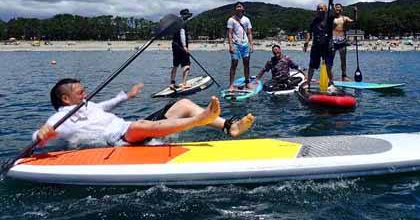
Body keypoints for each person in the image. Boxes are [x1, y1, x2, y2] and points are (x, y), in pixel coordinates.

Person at [34, 78, 255, 147]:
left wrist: (127, 96)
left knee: (184, 103)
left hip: (129, 130)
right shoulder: (62, 116)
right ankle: (199, 119)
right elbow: (43, 134)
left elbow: (107, 105)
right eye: (81, 92)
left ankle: (230, 127)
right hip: (118, 140)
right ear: (65, 99)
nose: (86, 94)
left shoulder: (88, 106)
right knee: (140, 125)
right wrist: (41, 134)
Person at [303, 2, 336, 91]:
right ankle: (308, 83)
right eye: (318, 8)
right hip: (316, 46)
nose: (320, 10)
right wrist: (306, 42)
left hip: (327, 47)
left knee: (328, 67)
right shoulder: (314, 21)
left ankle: (331, 83)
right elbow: (309, 32)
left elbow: (334, 12)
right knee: (312, 66)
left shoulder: (329, 18)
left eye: (322, 8)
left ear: (325, 9)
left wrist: (331, 2)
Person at [227, 2, 254, 91]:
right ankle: (231, 84)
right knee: (234, 64)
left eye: (240, 6)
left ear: (243, 9)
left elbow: (249, 33)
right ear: (235, 9)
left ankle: (247, 82)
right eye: (237, 6)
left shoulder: (247, 20)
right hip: (236, 44)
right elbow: (230, 34)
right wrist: (230, 45)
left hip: (245, 44)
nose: (238, 8)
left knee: (246, 64)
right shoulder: (231, 20)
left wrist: (251, 44)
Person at [331, 3, 354, 81]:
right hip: (333, 41)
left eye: (339, 8)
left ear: (341, 9)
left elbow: (354, 21)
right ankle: (329, 76)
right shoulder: (331, 18)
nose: (337, 9)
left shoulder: (345, 18)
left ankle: (344, 76)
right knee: (330, 59)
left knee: (343, 59)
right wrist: (331, 2)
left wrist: (355, 12)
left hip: (342, 40)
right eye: (336, 8)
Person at [170, 8, 193, 89]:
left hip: (174, 45)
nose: (188, 18)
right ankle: (184, 84)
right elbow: (182, 34)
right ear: (185, 15)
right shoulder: (182, 23)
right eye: (187, 16)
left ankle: (172, 83)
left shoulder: (175, 23)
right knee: (187, 65)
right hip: (181, 46)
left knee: (175, 64)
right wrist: (184, 47)